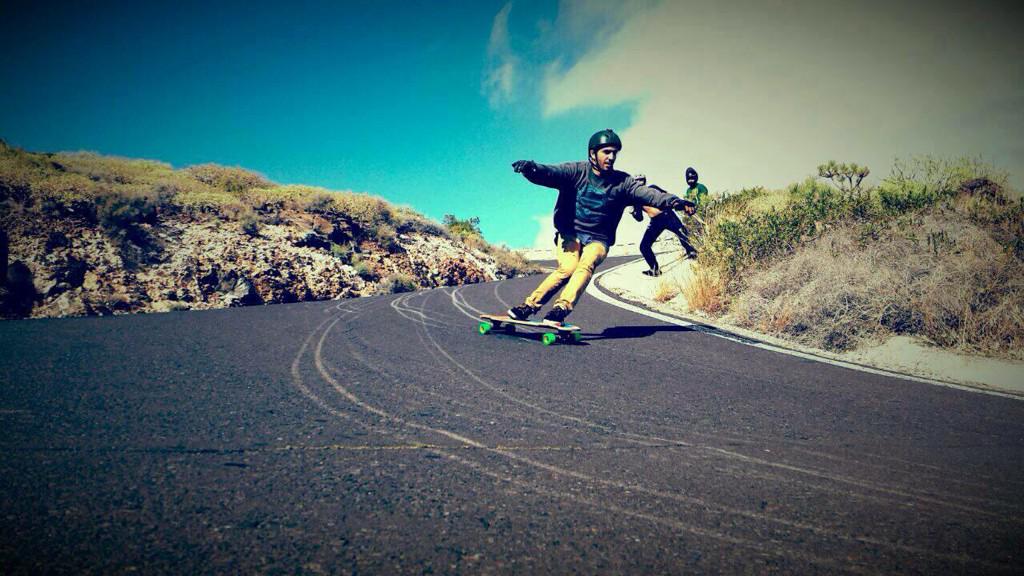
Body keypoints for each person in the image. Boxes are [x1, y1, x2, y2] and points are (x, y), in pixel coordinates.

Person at [507, 129, 696, 324]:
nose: (611, 157)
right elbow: (550, 173)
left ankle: (561, 308)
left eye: (614, 153)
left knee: (586, 264)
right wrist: (531, 169)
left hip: (599, 238)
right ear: (592, 154)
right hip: (570, 233)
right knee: (567, 269)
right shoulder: (577, 171)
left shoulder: (623, 183)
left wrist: (676, 202)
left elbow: (650, 195)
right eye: (606, 152)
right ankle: (528, 306)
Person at [630, 181, 698, 277]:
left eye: (642, 181)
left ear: (644, 181)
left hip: (667, 214)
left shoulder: (652, 188)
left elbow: (667, 195)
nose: (640, 184)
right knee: (644, 246)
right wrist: (634, 213)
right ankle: (654, 269)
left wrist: (678, 202)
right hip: (655, 221)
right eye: (637, 182)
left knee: (682, 233)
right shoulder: (635, 199)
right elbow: (639, 218)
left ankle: (692, 253)